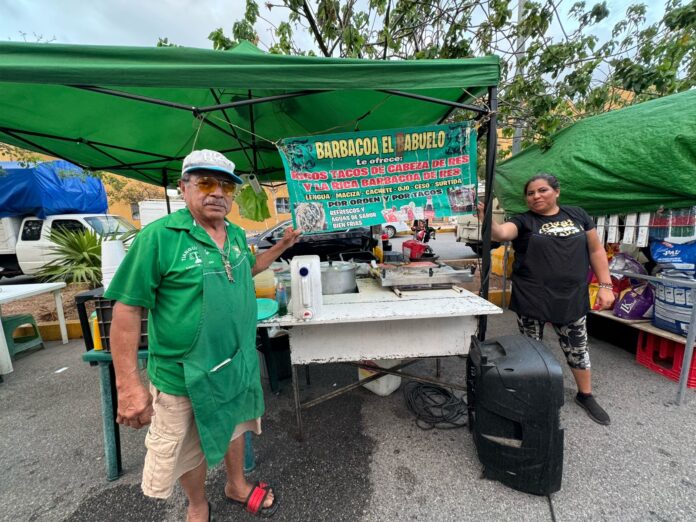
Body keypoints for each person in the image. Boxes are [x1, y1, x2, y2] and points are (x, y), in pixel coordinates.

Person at [105, 149, 300, 521]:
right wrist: (128, 385)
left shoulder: (238, 234)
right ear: (183, 188)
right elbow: (128, 309)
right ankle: (197, 503)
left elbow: (248, 267)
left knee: (233, 426)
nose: (218, 192)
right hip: (185, 375)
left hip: (235, 361)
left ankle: (236, 485)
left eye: (226, 185)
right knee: (186, 449)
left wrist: (280, 247)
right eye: (206, 182)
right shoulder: (160, 237)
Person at [477, 173, 615, 425]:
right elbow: (501, 234)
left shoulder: (578, 216)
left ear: (557, 192)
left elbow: (596, 250)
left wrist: (606, 284)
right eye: (530, 193)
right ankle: (533, 394)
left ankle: (585, 395)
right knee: (531, 349)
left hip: (571, 296)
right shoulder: (524, 220)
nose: (536, 196)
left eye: (542, 191)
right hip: (532, 297)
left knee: (577, 347)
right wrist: (486, 218)